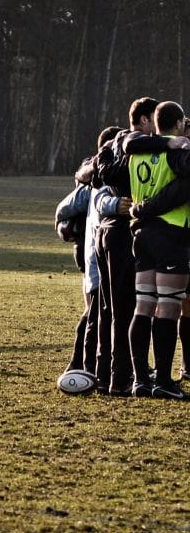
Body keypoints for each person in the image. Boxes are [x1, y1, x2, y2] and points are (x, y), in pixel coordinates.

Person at [125, 101, 190, 399]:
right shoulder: (177, 152)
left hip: (141, 233)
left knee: (144, 305)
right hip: (170, 231)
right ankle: (163, 379)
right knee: (169, 305)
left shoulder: (137, 151)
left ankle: (140, 380)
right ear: (178, 124)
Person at [94, 98, 159, 395]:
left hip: (106, 234)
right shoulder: (144, 148)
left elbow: (92, 172)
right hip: (124, 235)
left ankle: (109, 374)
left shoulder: (112, 148)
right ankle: (125, 377)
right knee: (128, 309)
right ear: (145, 120)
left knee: (111, 309)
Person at [55, 126, 123, 377]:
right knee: (94, 308)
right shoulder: (94, 176)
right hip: (91, 252)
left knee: (101, 309)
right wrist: (63, 225)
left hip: (98, 250)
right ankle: (79, 363)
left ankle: (91, 363)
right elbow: (64, 208)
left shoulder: (106, 173)